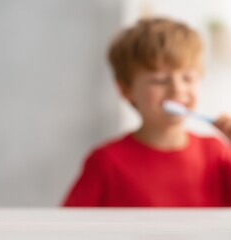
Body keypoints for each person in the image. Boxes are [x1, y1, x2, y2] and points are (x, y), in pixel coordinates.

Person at [63, 17, 231, 207]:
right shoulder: (106, 162)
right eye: (159, 80)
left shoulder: (216, 153)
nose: (177, 89)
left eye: (187, 78)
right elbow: (66, 228)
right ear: (126, 90)